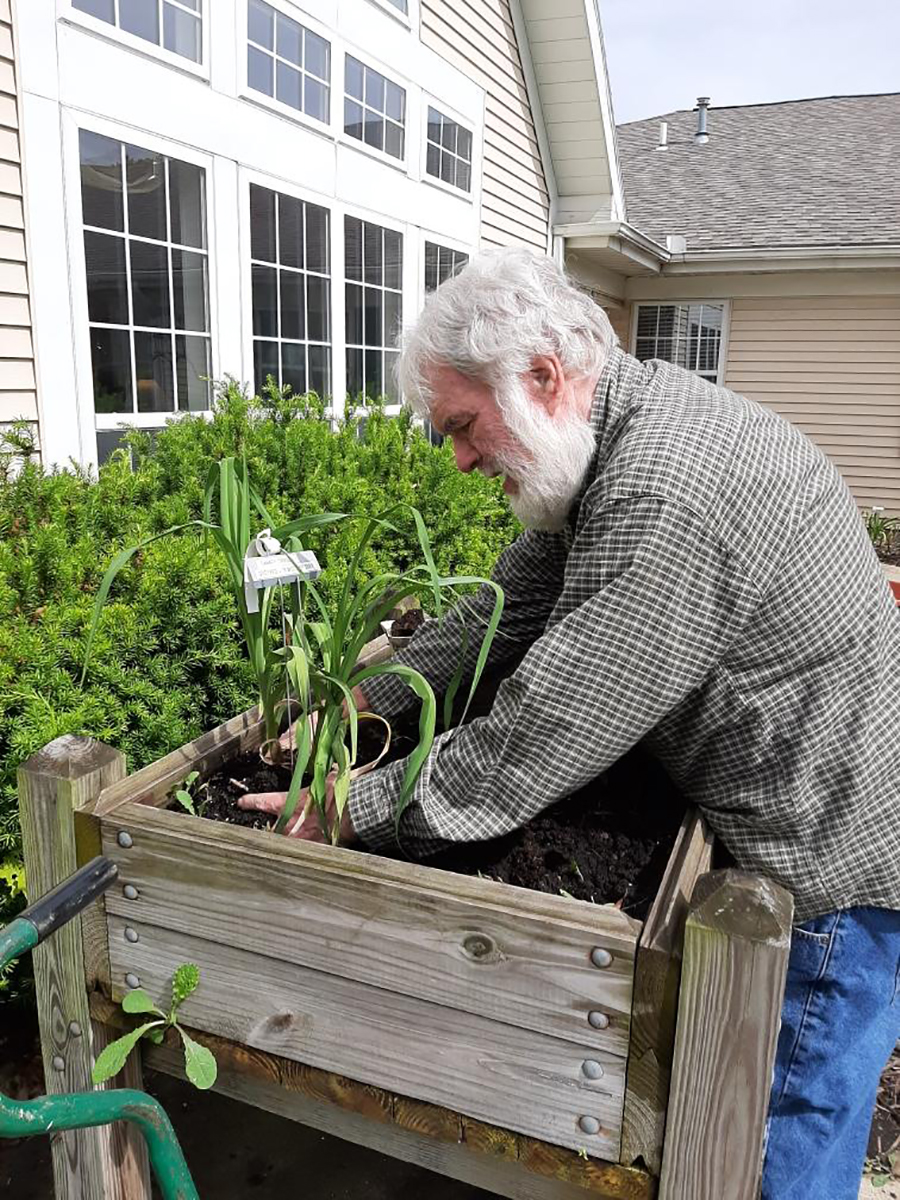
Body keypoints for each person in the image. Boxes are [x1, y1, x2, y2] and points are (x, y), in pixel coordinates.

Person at [242, 247, 900, 1199]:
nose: (461, 458)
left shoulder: (666, 494)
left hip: (828, 883)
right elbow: (501, 610)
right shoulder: (625, 432)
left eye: (463, 426)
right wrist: (363, 702)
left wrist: (352, 806)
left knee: (770, 1155)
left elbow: (538, 734)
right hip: (795, 834)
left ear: (544, 376)